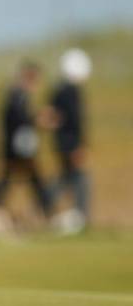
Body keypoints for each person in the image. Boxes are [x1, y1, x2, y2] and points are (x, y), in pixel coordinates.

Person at [41, 48, 92, 234]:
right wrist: (78, 145)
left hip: (60, 142)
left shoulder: (58, 90)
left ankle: (45, 202)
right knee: (79, 179)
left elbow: (50, 117)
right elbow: (75, 120)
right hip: (70, 143)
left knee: (66, 178)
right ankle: (80, 216)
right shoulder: (71, 92)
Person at [0, 60, 51, 218]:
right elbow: (17, 119)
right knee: (16, 180)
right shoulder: (16, 94)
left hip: (20, 146)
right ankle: (47, 211)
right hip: (16, 148)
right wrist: (36, 119)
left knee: (28, 180)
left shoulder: (19, 94)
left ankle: (46, 211)